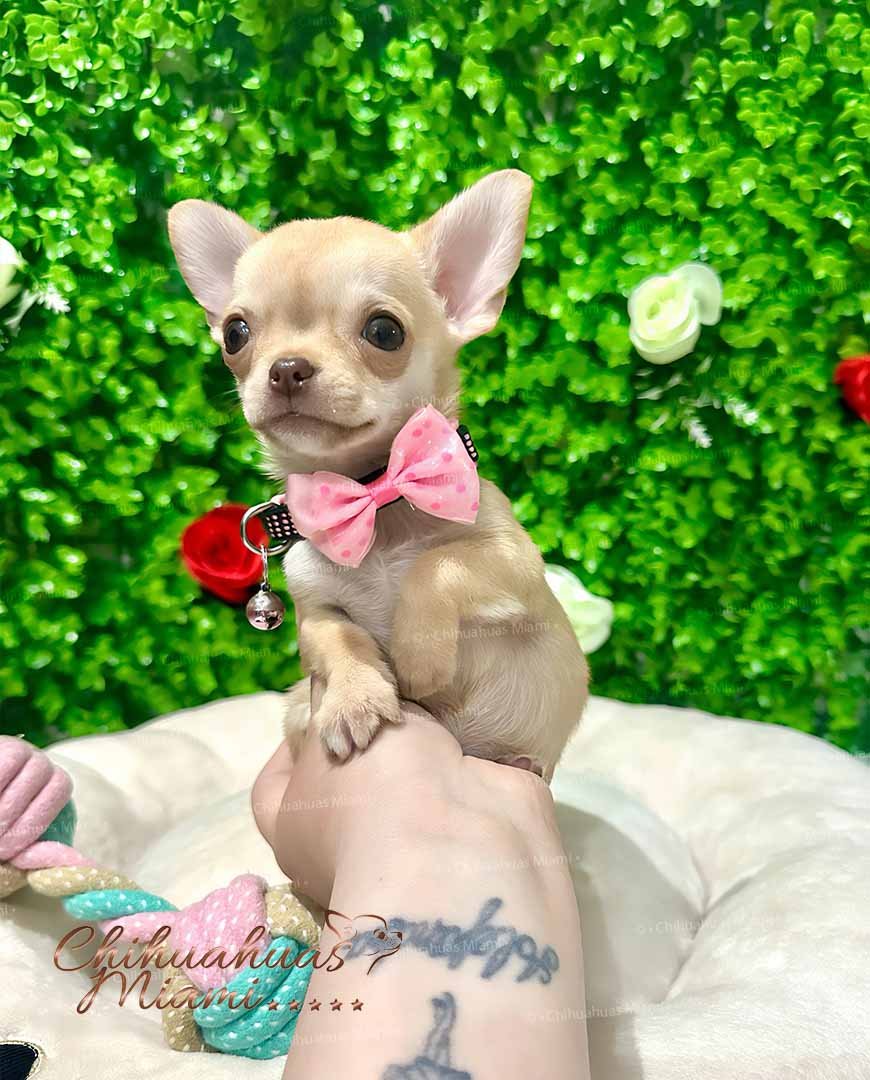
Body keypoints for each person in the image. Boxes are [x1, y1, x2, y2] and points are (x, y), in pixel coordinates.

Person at [252, 682, 591, 1079]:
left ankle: (394, 772)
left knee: (416, 771)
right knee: (500, 796)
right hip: (510, 800)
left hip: (367, 784)